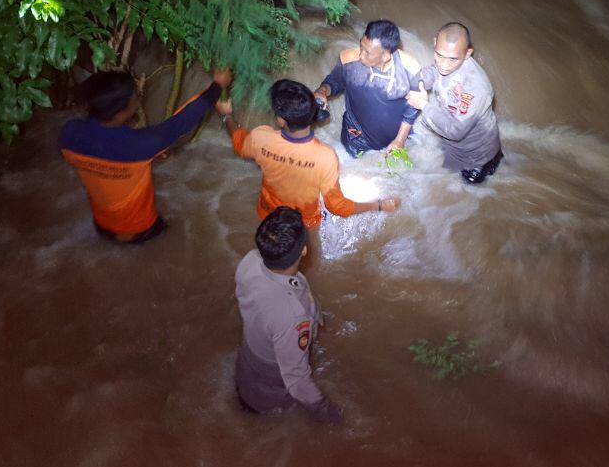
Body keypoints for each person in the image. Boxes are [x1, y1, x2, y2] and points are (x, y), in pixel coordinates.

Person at [60, 68, 231, 243]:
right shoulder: (141, 145)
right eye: (136, 96)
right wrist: (217, 86)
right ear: (122, 111)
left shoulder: (69, 134)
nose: (139, 97)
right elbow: (182, 121)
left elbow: (102, 151)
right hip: (142, 229)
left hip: (102, 226)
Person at [217, 79, 399, 230]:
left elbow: (239, 141)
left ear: (281, 120)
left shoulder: (260, 138)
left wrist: (227, 116)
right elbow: (337, 207)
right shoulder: (325, 157)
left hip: (268, 215)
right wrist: (379, 205)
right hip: (304, 224)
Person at [234, 206, 342, 423]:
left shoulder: (250, 261)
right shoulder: (293, 318)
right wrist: (329, 414)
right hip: (268, 397)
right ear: (304, 251)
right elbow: (297, 381)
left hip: (247, 368)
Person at [404, 22, 503, 184]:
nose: (443, 64)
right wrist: (416, 82)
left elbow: (455, 131)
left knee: (467, 188)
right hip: (453, 141)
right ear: (435, 43)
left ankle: (493, 160)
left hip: (476, 155)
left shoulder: (476, 87)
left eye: (452, 60)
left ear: (468, 53)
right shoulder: (446, 58)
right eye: (439, 55)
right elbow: (433, 72)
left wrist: (423, 105)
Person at [313, 20, 423, 157]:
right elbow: (334, 81)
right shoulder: (349, 59)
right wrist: (322, 91)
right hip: (356, 136)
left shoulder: (409, 69)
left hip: (396, 138)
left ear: (386, 56)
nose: (360, 55)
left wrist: (400, 140)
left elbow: (413, 107)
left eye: (367, 53)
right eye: (361, 46)